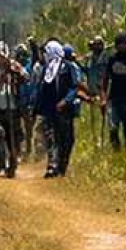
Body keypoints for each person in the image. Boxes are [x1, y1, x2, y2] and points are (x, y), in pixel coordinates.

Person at [36, 40, 80, 178]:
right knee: (51, 137)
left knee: (66, 139)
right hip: (50, 110)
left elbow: (74, 87)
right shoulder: (46, 69)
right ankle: (52, 166)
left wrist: (65, 101)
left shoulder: (67, 67)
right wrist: (37, 107)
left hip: (65, 111)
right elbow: (41, 89)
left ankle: (62, 166)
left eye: (47, 52)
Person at [0, 45, 28, 178]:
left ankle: (12, 164)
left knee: (14, 140)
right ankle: (0, 164)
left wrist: (14, 72)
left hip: (13, 109)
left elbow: (26, 78)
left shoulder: (14, 66)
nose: (2, 58)